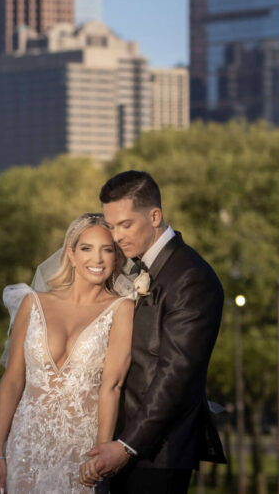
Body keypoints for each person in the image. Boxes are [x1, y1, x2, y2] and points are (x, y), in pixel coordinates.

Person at [79, 170, 226, 493]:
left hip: (157, 454)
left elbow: (176, 374)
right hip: (121, 445)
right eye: (112, 226)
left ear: (155, 216)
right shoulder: (139, 270)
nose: (116, 237)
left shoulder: (190, 278)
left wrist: (127, 446)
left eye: (126, 225)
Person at [0, 213, 135, 493]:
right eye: (87, 248)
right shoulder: (32, 302)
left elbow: (111, 387)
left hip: (80, 450)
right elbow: (12, 380)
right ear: (71, 254)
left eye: (107, 250)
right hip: (27, 445)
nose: (98, 259)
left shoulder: (121, 310)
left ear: (117, 257)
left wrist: (100, 454)